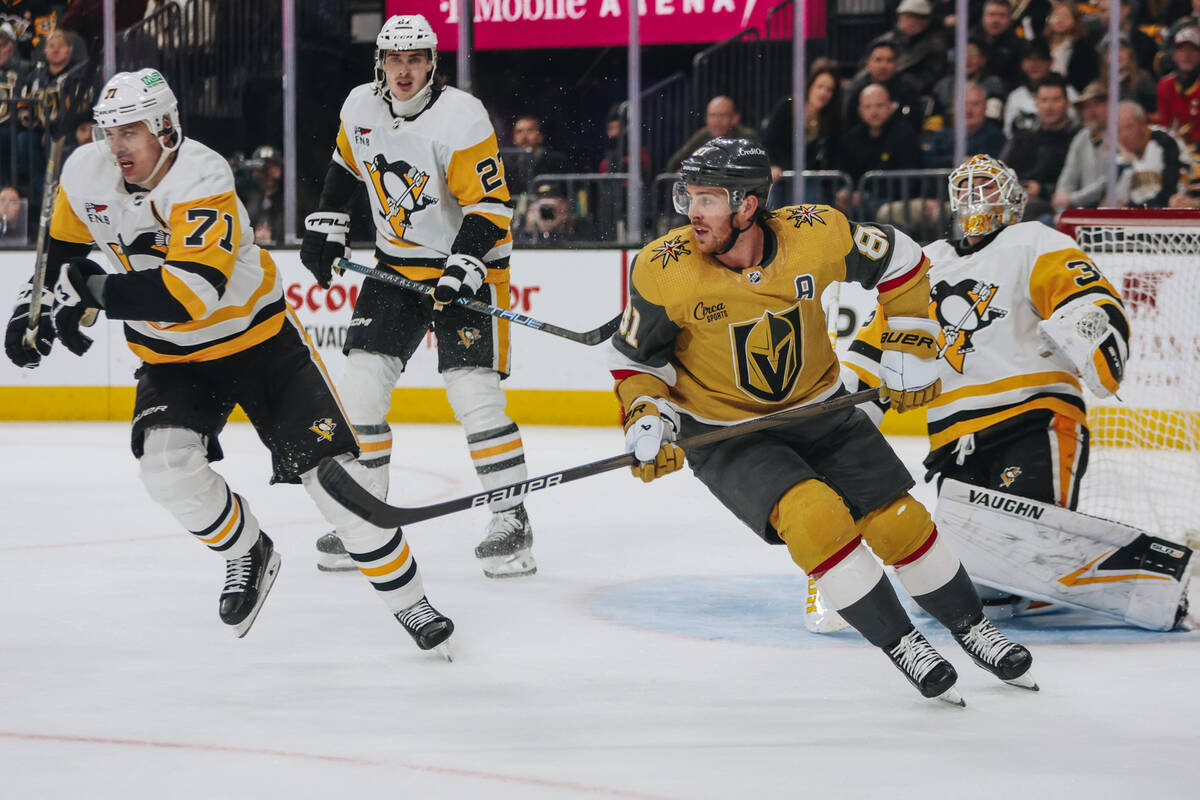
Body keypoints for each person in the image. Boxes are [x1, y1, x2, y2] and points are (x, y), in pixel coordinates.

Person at [2, 68, 454, 651]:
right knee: (165, 469)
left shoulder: (202, 175)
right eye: (108, 132)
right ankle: (248, 551)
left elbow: (189, 293)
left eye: (130, 132)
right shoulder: (84, 172)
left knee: (335, 482)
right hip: (171, 359)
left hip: (260, 345)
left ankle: (412, 604)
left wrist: (90, 293)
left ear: (165, 129)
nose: (116, 147)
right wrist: (32, 307)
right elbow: (60, 258)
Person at [609, 136, 1035, 703]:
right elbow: (636, 361)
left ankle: (974, 628)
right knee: (815, 518)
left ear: (747, 205)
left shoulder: (814, 233)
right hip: (728, 434)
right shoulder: (665, 268)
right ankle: (904, 643)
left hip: (821, 410)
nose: (692, 211)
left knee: (899, 522)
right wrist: (645, 414)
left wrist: (911, 341)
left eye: (707, 199)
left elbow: (903, 257)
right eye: (688, 196)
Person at [840, 155, 1188, 631]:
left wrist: (1089, 327)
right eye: (966, 186)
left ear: (1014, 199)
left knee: (1008, 567)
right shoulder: (924, 261)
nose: (975, 195)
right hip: (952, 440)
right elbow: (876, 345)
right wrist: (840, 418)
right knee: (965, 585)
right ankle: (1056, 576)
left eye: (987, 186)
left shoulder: (1035, 241)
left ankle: (1149, 577)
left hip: (1031, 418)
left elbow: (1091, 299)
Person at [301, 15, 537, 579]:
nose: (404, 70)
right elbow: (344, 165)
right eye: (394, 59)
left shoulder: (461, 116)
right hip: (395, 267)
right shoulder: (359, 106)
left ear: (432, 63)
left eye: (415, 59)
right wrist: (328, 222)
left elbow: (490, 206)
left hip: (471, 268)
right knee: (360, 389)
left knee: (473, 393)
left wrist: (464, 265)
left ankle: (511, 519)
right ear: (379, 63)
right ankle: (366, 515)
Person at [1001, 74, 1080, 221]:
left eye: (1055, 100)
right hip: (1014, 201)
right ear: (1036, 104)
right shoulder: (1021, 139)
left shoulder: (1078, 139)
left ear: (1067, 103)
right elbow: (1002, 171)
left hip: (1053, 208)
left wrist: (1042, 190)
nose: (1049, 107)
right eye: (1044, 100)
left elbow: (1078, 183)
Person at [861, 0, 947, 97]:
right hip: (873, 91)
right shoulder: (883, 41)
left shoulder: (935, 46)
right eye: (908, 16)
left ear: (926, 21)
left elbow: (928, 80)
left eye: (918, 18)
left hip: (910, 94)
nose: (912, 22)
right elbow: (863, 69)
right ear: (899, 17)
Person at [1114, 101, 1190, 208]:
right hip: (1136, 214)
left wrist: (1139, 209)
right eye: (1119, 130)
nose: (1124, 135)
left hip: (1165, 211)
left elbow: (1173, 191)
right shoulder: (1118, 155)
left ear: (1142, 124)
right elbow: (1115, 200)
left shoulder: (1166, 143)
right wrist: (1126, 165)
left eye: (1129, 127)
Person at [1052, 81, 1112, 210]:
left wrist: (1072, 199)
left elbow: (1108, 181)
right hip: (1082, 208)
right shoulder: (1081, 137)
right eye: (1086, 107)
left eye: (1097, 104)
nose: (1091, 112)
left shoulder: (1121, 134)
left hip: (1110, 207)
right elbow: (1068, 175)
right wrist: (1061, 200)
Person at [1002, 37, 1079, 137]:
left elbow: (1077, 124)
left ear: (1051, 62)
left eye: (1040, 59)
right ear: (1022, 64)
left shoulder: (1068, 92)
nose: (1034, 64)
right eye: (1029, 59)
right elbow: (1008, 133)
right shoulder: (1016, 96)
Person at [842, 41, 925, 132]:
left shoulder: (908, 91)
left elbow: (914, 124)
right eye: (878, 60)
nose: (883, 66)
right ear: (868, 63)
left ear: (896, 64)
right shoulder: (858, 92)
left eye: (889, 60)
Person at [665, 95, 758, 173]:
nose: (717, 121)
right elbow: (673, 165)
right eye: (712, 115)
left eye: (722, 115)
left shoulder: (747, 138)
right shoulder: (702, 135)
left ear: (735, 118)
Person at [503, 114, 568, 198]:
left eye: (530, 130)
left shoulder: (556, 160)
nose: (524, 136)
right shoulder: (510, 165)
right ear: (513, 138)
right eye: (519, 131)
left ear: (540, 136)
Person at [1156, 25, 1200, 149]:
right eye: (1182, 50)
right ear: (1174, 55)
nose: (1187, 55)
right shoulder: (1165, 86)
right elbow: (1163, 125)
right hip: (1172, 150)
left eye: (1192, 50)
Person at [971, 0, 1027, 94]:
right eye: (991, 15)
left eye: (1002, 15)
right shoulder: (969, 41)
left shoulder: (1020, 46)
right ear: (983, 17)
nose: (996, 20)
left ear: (1010, 19)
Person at [1044, 0, 1099, 92]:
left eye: (1065, 17)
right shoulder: (1041, 43)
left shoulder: (1083, 47)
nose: (1060, 20)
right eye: (1056, 16)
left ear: (1075, 21)